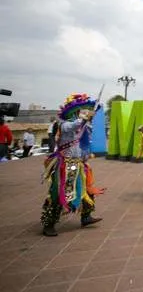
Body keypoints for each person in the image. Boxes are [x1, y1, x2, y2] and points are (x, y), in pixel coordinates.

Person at [41, 93, 104, 237]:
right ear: (74, 112)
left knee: (87, 190)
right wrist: (83, 118)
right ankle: (49, 224)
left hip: (79, 164)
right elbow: (72, 126)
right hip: (65, 164)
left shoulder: (84, 127)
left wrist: (85, 157)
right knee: (58, 193)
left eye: (85, 110)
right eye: (80, 110)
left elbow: (84, 145)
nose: (83, 112)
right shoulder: (64, 124)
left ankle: (86, 217)